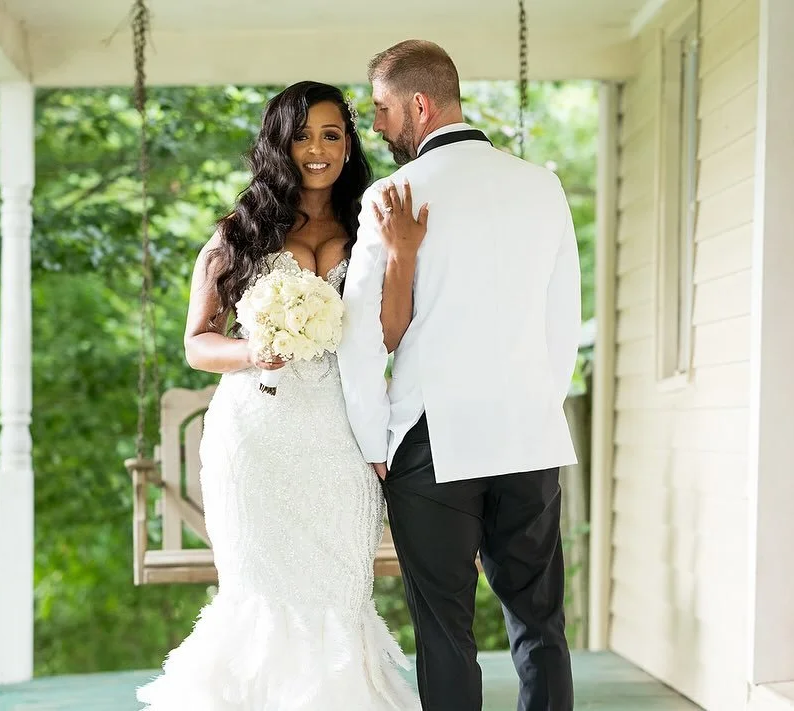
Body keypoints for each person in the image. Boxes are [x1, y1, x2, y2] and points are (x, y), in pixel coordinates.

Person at [136, 81, 419, 711]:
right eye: (301, 135)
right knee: (258, 597)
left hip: (340, 440)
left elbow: (389, 334)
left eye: (331, 134)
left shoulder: (370, 227)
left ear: (348, 143)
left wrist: (401, 257)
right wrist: (251, 352)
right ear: (278, 144)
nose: (316, 149)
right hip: (255, 440)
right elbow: (197, 344)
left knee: (339, 597)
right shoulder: (240, 231)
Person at [338, 40, 582, 711]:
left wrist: (373, 440)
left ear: (419, 104)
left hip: (430, 440)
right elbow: (563, 322)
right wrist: (533, 404)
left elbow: (359, 335)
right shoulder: (543, 185)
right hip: (528, 435)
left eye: (383, 109)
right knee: (540, 623)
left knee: (445, 632)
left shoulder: (391, 196)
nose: (379, 126)